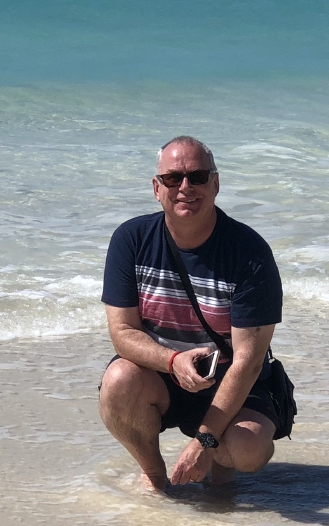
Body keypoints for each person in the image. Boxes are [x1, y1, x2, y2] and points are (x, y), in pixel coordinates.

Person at [99, 136, 283, 491]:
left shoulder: (250, 253)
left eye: (197, 177)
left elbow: (249, 360)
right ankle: (154, 476)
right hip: (163, 376)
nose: (185, 187)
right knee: (119, 381)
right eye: (173, 179)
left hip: (232, 382)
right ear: (157, 188)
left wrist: (205, 442)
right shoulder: (131, 240)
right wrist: (173, 361)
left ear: (215, 184)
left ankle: (219, 470)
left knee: (248, 449)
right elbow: (122, 333)